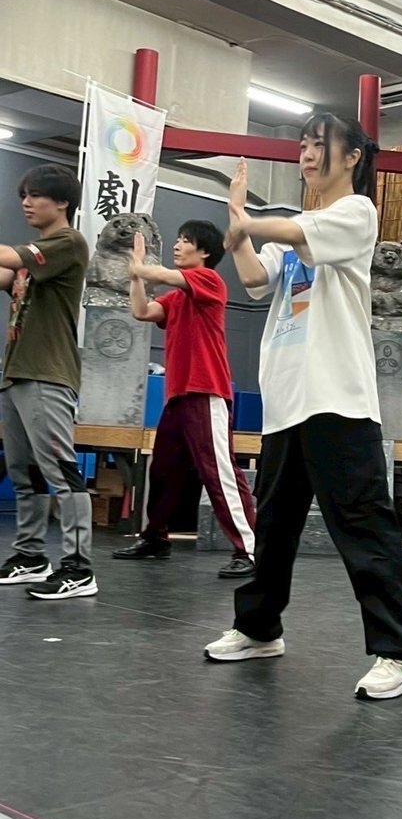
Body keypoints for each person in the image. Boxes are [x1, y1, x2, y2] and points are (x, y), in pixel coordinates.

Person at [203, 121, 402, 700]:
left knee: (363, 527)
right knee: (274, 528)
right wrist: (239, 229)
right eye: (301, 146)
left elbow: (293, 231)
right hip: (287, 401)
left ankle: (400, 654)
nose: (305, 155)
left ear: (351, 157)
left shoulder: (357, 213)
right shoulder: (292, 230)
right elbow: (255, 279)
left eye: (317, 145)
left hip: (338, 400)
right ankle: (258, 629)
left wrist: (247, 220)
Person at [114, 220, 256, 578]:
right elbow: (142, 311)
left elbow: (165, 275)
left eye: (185, 241)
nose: (177, 245)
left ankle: (250, 548)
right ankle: (155, 537)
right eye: (177, 239)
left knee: (218, 471)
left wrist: (141, 266)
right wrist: (136, 277)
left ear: (204, 252)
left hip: (206, 392)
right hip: (178, 396)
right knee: (163, 470)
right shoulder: (177, 297)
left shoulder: (209, 280)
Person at [0, 164, 95, 599]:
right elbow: (7, 272)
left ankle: (79, 568)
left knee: (60, 470)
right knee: (26, 473)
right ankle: (31, 556)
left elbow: (12, 258)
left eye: (35, 195)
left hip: (47, 373)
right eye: (24, 194)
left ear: (62, 202)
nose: (26, 202)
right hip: (17, 373)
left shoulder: (67, 243)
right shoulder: (33, 257)